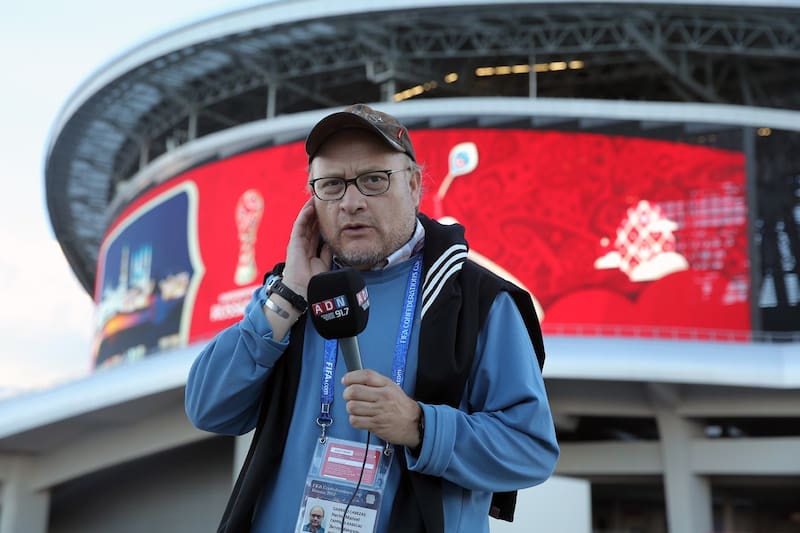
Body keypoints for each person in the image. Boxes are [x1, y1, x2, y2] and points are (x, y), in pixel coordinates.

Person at [185, 103, 559, 533]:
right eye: (331, 184)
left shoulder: (479, 300)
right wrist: (288, 295)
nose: (351, 202)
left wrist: (421, 426)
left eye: (374, 180)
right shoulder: (292, 290)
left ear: (415, 184)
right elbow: (208, 409)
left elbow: (532, 449)